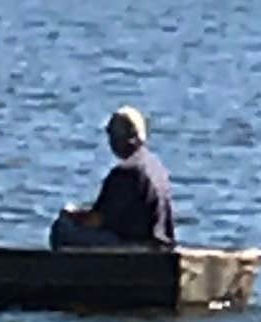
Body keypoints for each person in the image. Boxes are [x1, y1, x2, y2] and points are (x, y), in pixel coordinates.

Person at [50, 105, 176, 250]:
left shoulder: (126, 173)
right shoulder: (155, 167)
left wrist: (71, 215)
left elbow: (97, 220)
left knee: (62, 229)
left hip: (135, 247)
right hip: (159, 244)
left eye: (111, 133)